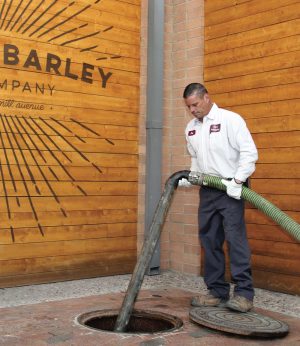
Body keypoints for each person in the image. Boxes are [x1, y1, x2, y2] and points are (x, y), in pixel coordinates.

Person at [179, 83, 258, 312]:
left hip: (231, 187)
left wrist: (238, 180)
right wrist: (191, 177)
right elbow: (195, 158)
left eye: (195, 104)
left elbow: (249, 153)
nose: (192, 110)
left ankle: (244, 294)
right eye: (189, 106)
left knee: (235, 239)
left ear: (206, 98)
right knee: (209, 239)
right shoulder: (191, 128)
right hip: (208, 189)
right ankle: (217, 292)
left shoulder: (230, 120)